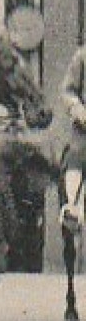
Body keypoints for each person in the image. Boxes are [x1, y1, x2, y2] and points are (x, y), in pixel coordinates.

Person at [58, 42, 86, 232]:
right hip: (84, 128)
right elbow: (67, 91)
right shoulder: (82, 56)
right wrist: (78, 108)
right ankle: (72, 207)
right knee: (76, 155)